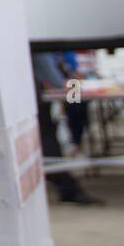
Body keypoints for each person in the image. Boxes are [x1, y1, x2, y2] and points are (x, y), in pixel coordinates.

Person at [33, 52, 102, 205]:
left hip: (51, 95)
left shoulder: (60, 52)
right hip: (43, 98)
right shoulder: (42, 50)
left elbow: (67, 75)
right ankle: (74, 147)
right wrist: (74, 84)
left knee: (77, 107)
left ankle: (74, 147)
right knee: (75, 108)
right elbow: (56, 81)